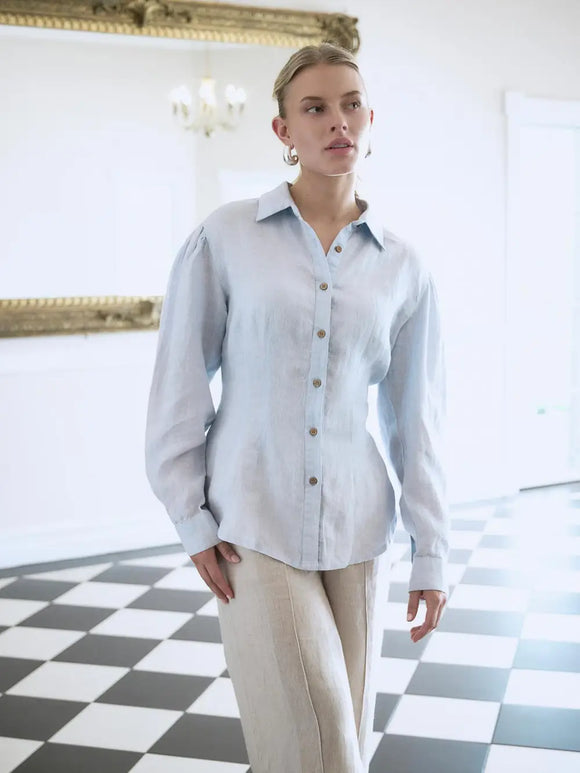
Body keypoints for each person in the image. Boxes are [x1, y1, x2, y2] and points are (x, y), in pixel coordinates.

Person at [145, 41, 450, 773]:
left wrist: (431, 549)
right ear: (283, 131)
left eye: (350, 105)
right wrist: (191, 518)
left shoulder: (404, 267)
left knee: (329, 745)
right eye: (314, 107)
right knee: (323, 753)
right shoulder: (225, 237)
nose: (336, 121)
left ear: (371, 119)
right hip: (254, 524)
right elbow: (180, 386)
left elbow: (416, 420)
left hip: (359, 528)